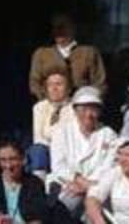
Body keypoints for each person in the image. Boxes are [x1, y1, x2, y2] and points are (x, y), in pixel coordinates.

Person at [47, 87, 118, 221]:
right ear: (75, 110)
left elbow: (110, 167)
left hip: (97, 187)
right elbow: (58, 165)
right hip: (67, 184)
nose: (88, 114)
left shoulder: (109, 134)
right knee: (66, 206)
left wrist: (89, 186)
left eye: (93, 109)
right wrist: (79, 181)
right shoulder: (61, 131)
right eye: (83, 109)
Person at [28, 14, 107, 99]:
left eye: (63, 26)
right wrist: (49, 100)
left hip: (82, 107)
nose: (58, 30)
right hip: (50, 107)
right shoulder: (41, 54)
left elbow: (100, 83)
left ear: (73, 27)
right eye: (55, 27)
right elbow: (34, 83)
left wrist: (86, 103)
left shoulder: (89, 52)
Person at [0, 140, 49, 224]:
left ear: (23, 159)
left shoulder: (34, 183)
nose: (8, 165)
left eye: (13, 159)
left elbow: (39, 218)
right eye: (3, 160)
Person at [28, 68, 75, 176]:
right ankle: (39, 185)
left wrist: (52, 137)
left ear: (68, 88)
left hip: (67, 151)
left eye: (59, 84)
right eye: (50, 85)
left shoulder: (75, 107)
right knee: (37, 150)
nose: (54, 88)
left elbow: (69, 137)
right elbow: (38, 138)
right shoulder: (39, 107)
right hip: (45, 152)